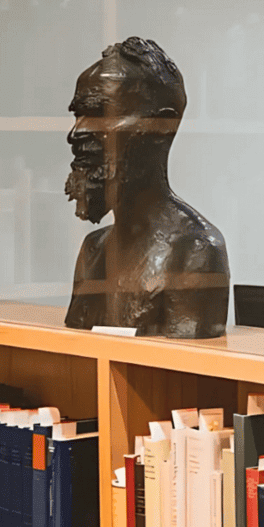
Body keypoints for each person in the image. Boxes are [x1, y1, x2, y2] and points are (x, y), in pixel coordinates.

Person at [64, 37, 229, 337]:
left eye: (101, 115)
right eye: (78, 116)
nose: (76, 133)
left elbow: (183, 362)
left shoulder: (195, 252)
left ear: (159, 127)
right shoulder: (93, 250)